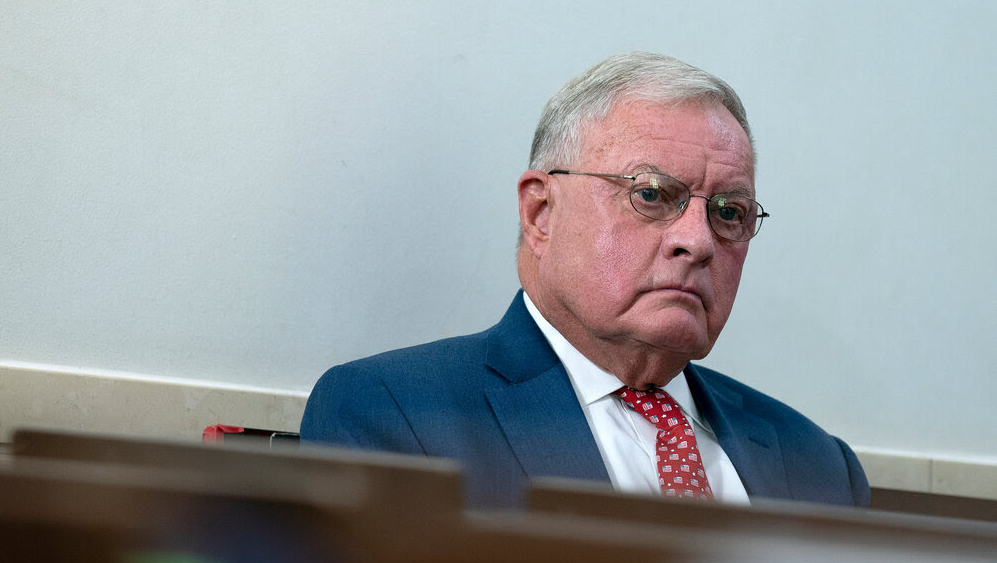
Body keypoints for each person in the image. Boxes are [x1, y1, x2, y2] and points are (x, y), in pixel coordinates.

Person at [300, 52, 870, 509]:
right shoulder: (396, 416)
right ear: (541, 213)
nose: (697, 241)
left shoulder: (820, 467)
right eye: (651, 195)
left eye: (728, 213)